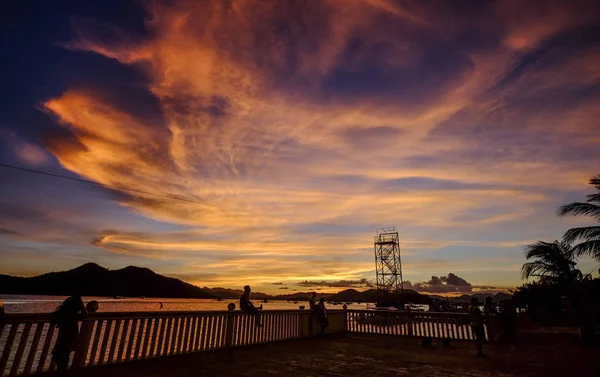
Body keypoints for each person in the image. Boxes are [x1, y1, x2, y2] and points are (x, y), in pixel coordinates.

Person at [50, 296, 87, 373]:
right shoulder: (73, 316)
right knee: (63, 363)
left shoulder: (62, 314)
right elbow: (85, 314)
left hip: (62, 343)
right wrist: (80, 303)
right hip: (67, 343)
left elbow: (53, 319)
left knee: (61, 363)